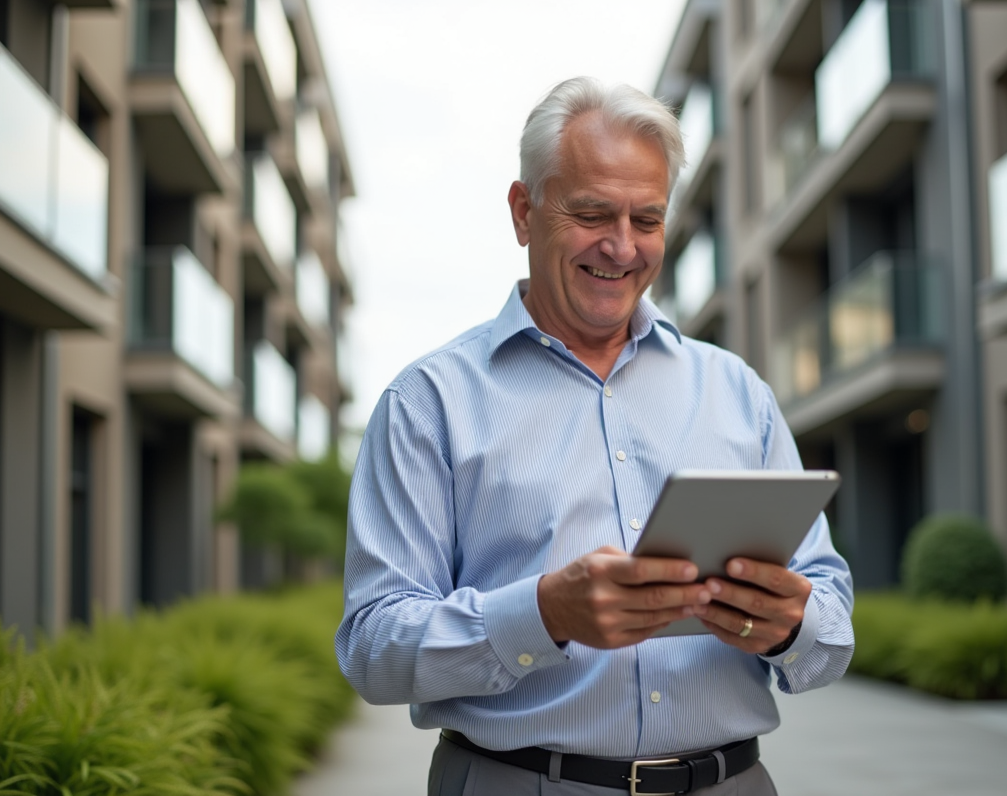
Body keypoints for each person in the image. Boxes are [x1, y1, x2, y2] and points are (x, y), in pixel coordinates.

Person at [336, 77, 854, 796]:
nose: (621, 247)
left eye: (647, 219)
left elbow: (830, 626)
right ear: (524, 213)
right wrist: (542, 613)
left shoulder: (739, 393)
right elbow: (371, 650)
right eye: (591, 213)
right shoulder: (427, 404)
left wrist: (790, 624)